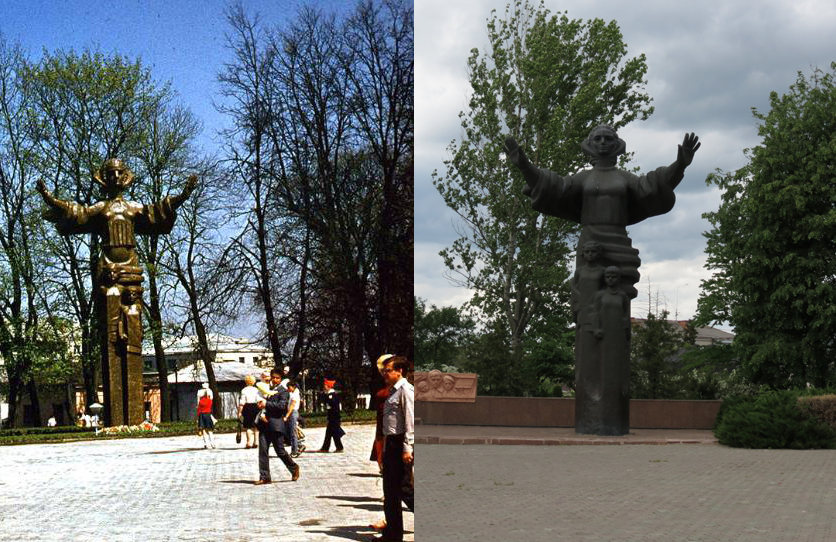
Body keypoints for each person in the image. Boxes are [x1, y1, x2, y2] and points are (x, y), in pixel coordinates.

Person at [375, 356, 414, 542]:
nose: (385, 372)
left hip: (400, 444)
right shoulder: (391, 391)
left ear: (399, 371)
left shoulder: (406, 391)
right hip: (391, 443)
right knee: (390, 491)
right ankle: (392, 534)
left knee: (403, 489)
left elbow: (410, 422)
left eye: (388, 369)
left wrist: (407, 448)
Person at [254, 368, 300, 484]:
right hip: (264, 424)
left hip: (275, 425)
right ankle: (265, 477)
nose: (275, 380)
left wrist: (266, 404)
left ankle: (294, 468)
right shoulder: (265, 388)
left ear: (281, 379)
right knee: (263, 451)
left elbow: (281, 406)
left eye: (277, 378)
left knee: (280, 451)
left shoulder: (283, 391)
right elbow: (261, 401)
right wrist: (260, 405)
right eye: (273, 377)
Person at [318, 379, 344, 452]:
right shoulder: (329, 395)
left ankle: (339, 447)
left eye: (325, 386)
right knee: (329, 433)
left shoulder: (332, 395)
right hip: (331, 417)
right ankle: (325, 448)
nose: (324, 387)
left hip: (334, 417)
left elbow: (333, 405)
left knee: (335, 433)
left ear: (329, 386)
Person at [238, 374, 261, 449]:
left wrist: (239, 412)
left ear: (246, 382)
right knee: (256, 426)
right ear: (254, 382)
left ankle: (249, 443)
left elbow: (242, 402)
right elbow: (258, 400)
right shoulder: (256, 389)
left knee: (248, 426)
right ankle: (256, 442)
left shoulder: (244, 390)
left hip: (247, 407)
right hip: (256, 407)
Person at [285, 379, 302, 457]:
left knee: (292, 433)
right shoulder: (293, 393)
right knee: (289, 431)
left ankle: (294, 451)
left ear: (293, 387)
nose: (288, 389)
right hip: (292, 413)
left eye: (289, 387)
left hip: (292, 413)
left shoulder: (295, 394)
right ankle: (299, 445)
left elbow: (292, 405)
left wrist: (287, 415)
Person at [196, 383, 216, 449]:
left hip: (202, 415)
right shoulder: (210, 401)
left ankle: (206, 444)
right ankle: (213, 444)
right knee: (210, 430)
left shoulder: (200, 402)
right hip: (208, 414)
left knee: (204, 430)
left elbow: (198, 409)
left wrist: (197, 418)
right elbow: (211, 399)